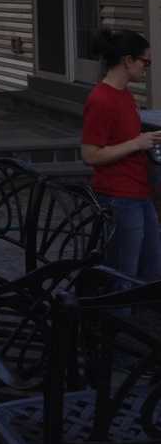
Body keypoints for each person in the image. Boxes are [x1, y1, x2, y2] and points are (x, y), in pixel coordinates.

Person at [81, 29, 161, 284]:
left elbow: (125, 139)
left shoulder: (125, 95)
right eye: (145, 61)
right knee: (122, 274)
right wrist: (136, 143)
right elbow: (90, 154)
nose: (147, 67)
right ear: (128, 61)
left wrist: (147, 141)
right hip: (119, 197)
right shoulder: (101, 99)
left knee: (150, 267)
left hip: (139, 192)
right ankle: (115, 320)